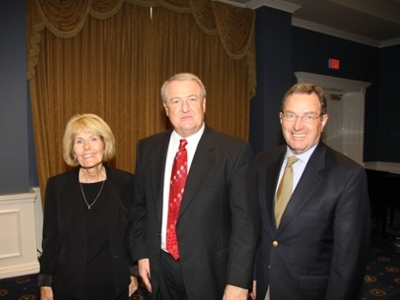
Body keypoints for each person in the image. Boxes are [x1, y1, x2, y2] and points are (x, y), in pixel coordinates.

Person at [130, 73, 260, 300]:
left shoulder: (234, 152)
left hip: (211, 274)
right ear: (165, 108)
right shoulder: (147, 149)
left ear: (204, 103)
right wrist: (141, 255)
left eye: (192, 99)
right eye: (176, 101)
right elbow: (139, 208)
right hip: (160, 270)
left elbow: (246, 224)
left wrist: (239, 281)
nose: (185, 108)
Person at [251, 83, 370, 300]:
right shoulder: (263, 161)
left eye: (308, 116)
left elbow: (349, 261)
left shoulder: (348, 176)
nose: (298, 126)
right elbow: (257, 229)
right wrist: (253, 275)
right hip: (264, 287)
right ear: (281, 118)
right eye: (291, 115)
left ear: (323, 121)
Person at [38, 114, 138, 300]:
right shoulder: (57, 186)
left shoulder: (125, 182)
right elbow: (51, 238)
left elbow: (131, 232)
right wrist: (45, 281)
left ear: (104, 144)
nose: (87, 148)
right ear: (72, 150)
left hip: (114, 282)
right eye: (79, 141)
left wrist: (133, 271)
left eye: (93, 139)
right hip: (69, 283)